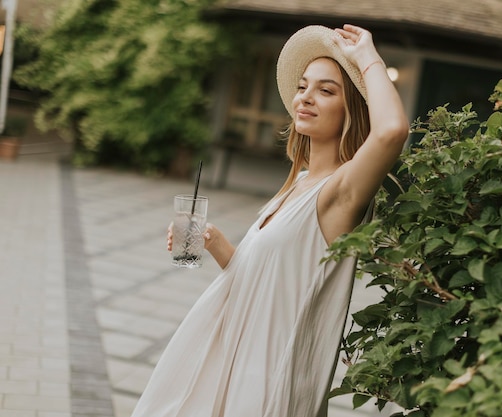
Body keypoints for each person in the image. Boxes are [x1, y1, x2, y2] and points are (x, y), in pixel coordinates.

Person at [131, 24, 408, 417]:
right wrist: (215, 243)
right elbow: (265, 278)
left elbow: (392, 131)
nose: (306, 98)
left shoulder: (338, 192)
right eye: (302, 86)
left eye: (326, 91)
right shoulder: (300, 181)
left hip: (267, 379)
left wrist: (368, 59)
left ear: (351, 111)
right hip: (232, 358)